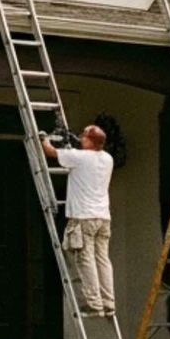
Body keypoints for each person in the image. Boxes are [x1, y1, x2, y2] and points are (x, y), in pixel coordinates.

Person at [41, 123, 115, 316]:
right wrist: (72, 145)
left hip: (84, 217)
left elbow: (49, 152)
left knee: (85, 259)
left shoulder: (80, 157)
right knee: (103, 260)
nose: (81, 138)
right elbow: (80, 155)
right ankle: (108, 302)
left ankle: (93, 303)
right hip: (103, 217)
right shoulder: (107, 158)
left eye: (84, 136)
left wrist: (44, 138)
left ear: (91, 141)